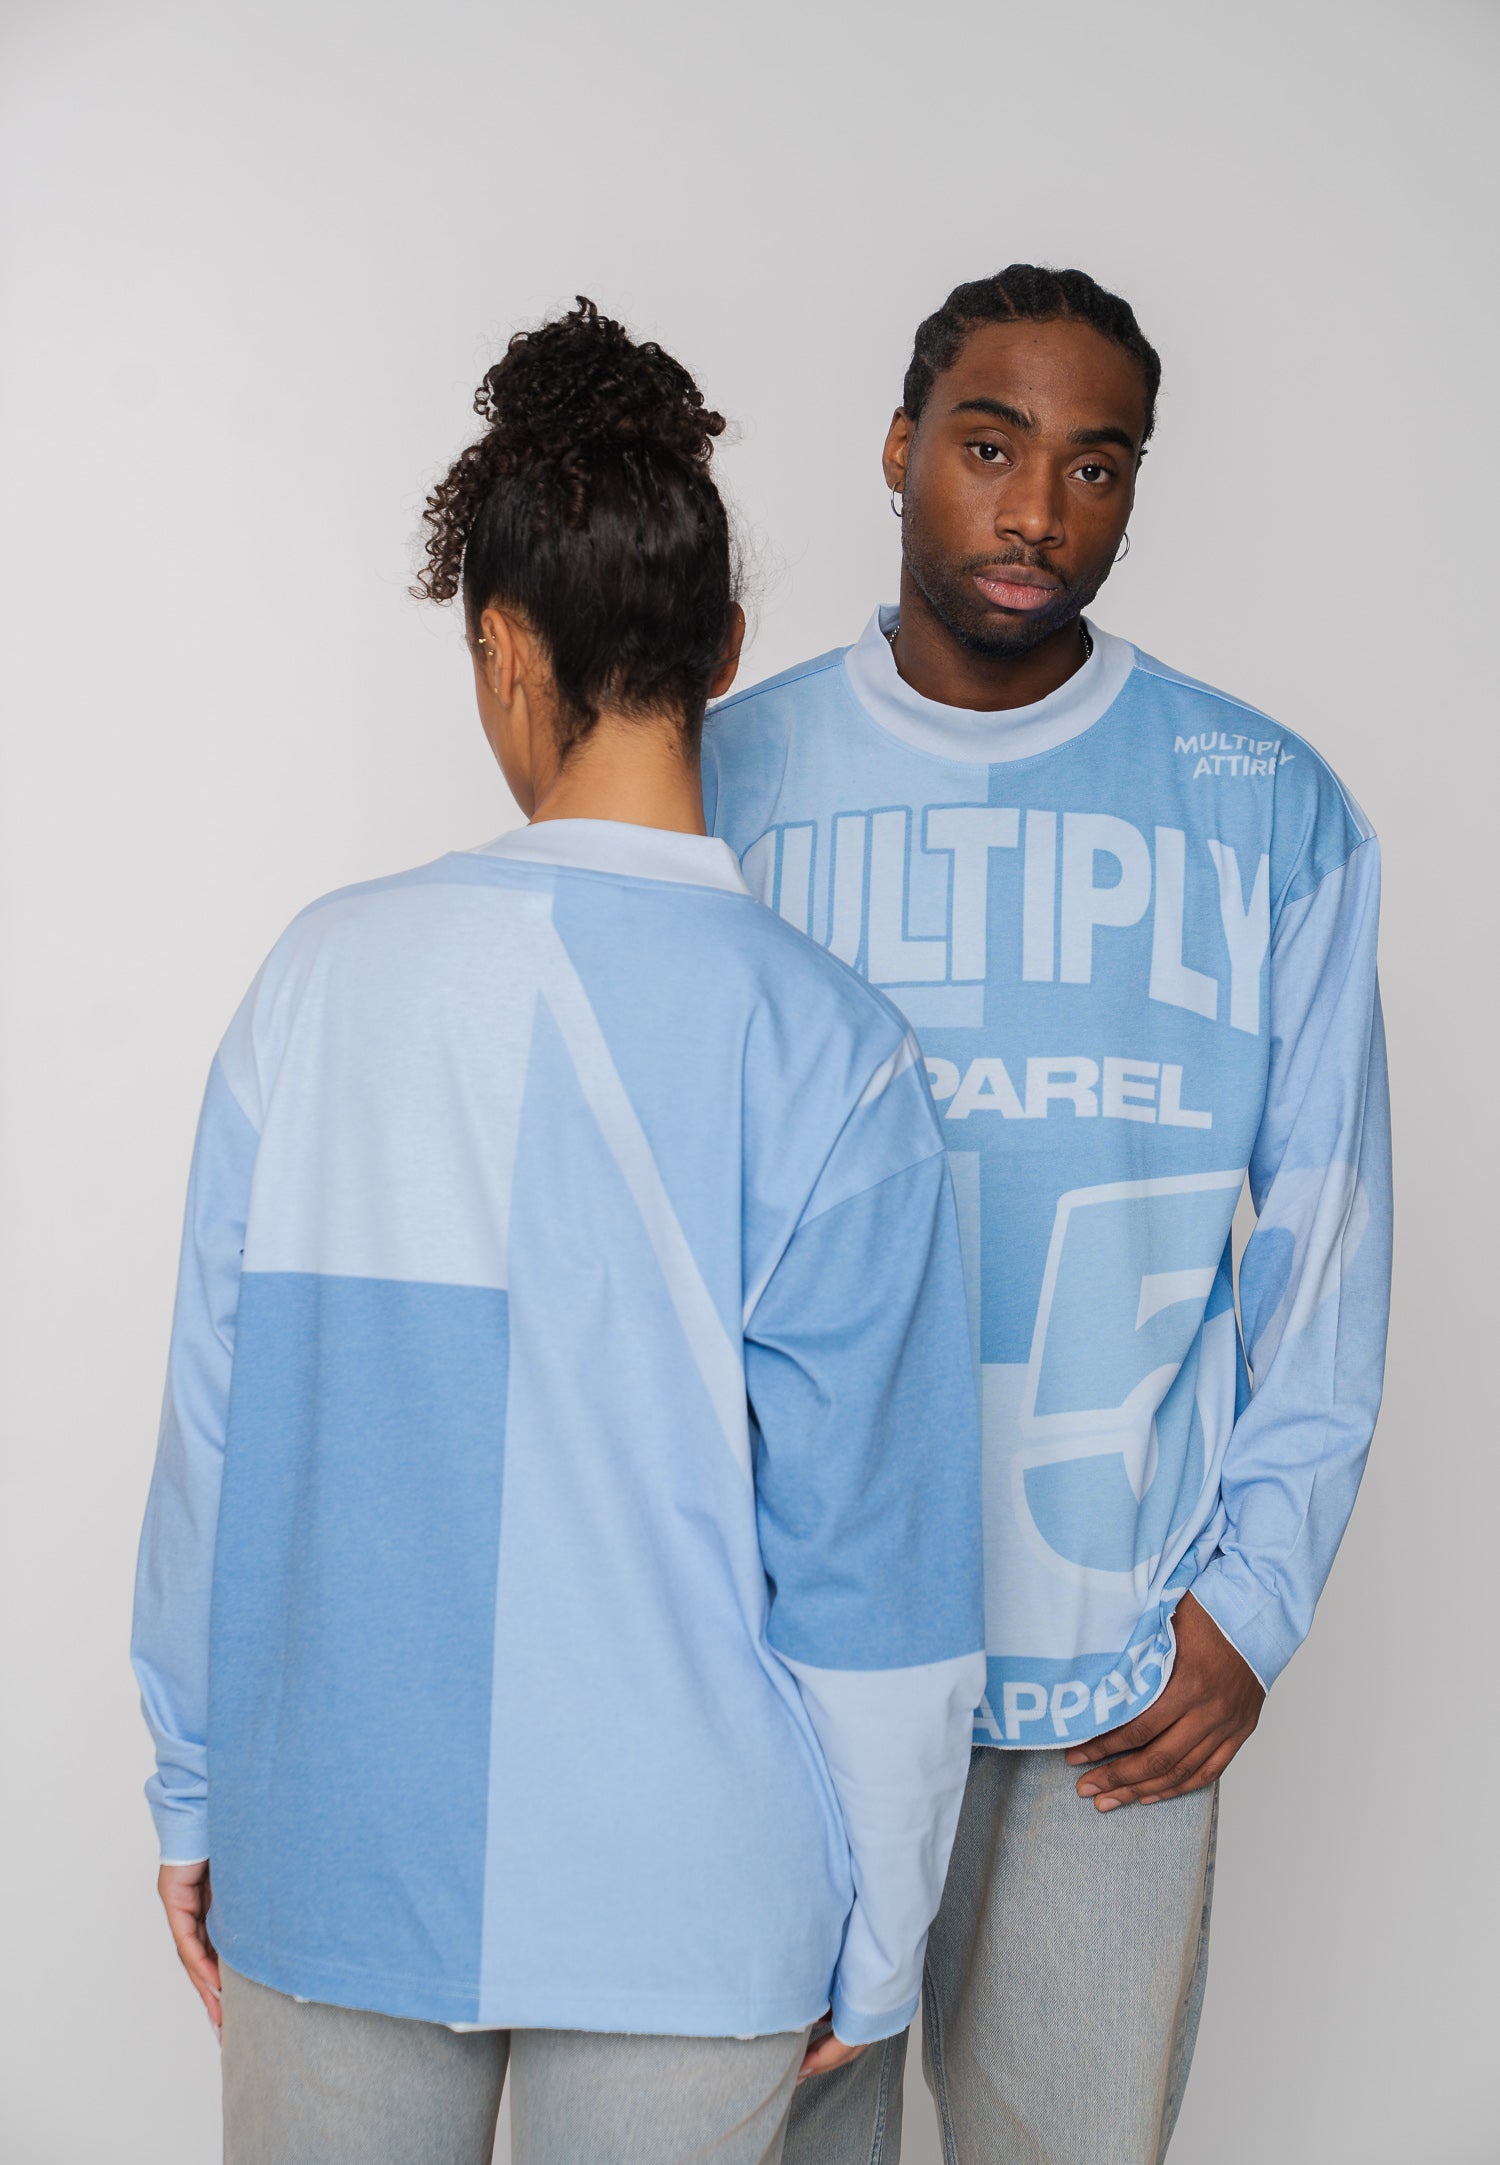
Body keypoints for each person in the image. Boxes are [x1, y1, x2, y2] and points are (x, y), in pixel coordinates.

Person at [131, 299, 987, 2165]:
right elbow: (879, 1562)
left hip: (337, 1833)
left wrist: (194, 1785)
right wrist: (885, 1924)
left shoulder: (317, 983)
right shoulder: (832, 1048)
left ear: (504, 646)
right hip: (696, 1886)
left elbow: (215, 1435)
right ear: (726, 649)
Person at [703, 265, 1392, 2164]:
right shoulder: (728, 778)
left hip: (1111, 1677)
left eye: (1097, 466)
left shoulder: (1270, 806)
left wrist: (1253, 1599)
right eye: (991, 447)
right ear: (900, 447)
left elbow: (1327, 1230)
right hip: (779, 1661)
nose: (1035, 512)